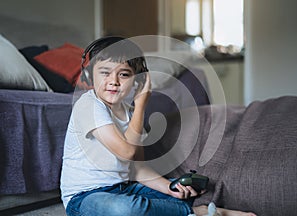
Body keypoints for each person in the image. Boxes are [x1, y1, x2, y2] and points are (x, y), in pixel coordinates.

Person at [60, 36, 256, 216]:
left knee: (182, 189)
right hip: (85, 197)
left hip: (126, 186)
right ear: (89, 76)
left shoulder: (129, 112)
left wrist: (169, 188)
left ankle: (185, 207)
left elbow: (136, 169)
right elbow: (126, 152)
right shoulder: (88, 105)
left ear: (137, 81)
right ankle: (198, 212)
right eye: (105, 72)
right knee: (125, 209)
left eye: (124, 74)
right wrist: (142, 104)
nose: (114, 81)